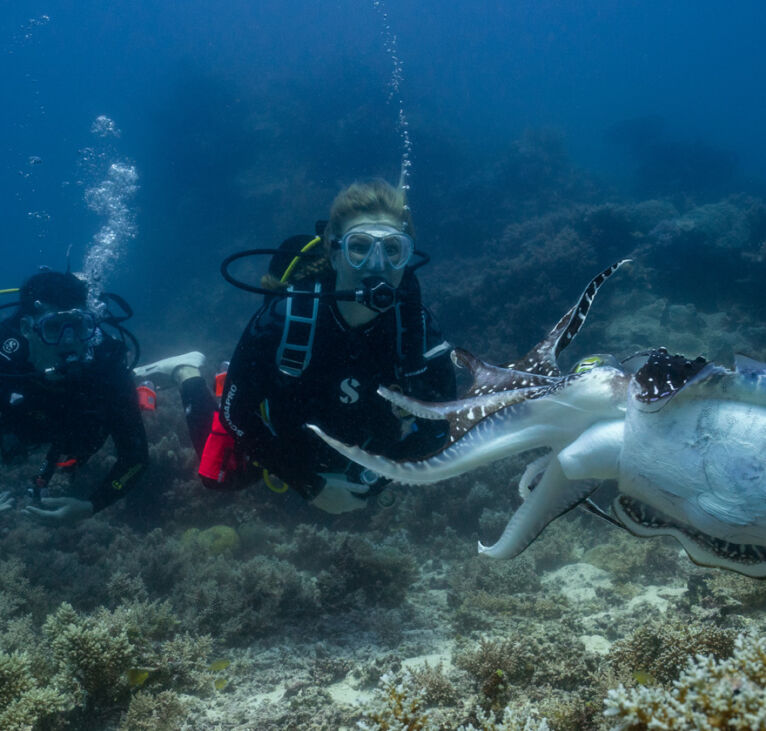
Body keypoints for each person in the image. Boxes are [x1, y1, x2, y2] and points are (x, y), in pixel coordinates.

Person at [137, 180, 456, 513]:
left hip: (364, 442)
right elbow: (236, 412)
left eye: (392, 249)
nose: (378, 264)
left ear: (407, 256)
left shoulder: (417, 330)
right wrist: (310, 485)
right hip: (284, 434)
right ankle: (187, 371)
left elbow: (442, 426)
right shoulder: (286, 317)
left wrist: (377, 478)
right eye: (360, 246)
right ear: (335, 254)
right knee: (220, 477)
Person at [0, 269, 149, 525]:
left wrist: (92, 505)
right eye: (54, 327)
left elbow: (136, 457)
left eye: (79, 326)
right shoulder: (5, 360)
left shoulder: (105, 362)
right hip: (23, 422)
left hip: (74, 428)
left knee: (83, 440)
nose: (68, 342)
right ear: (27, 328)